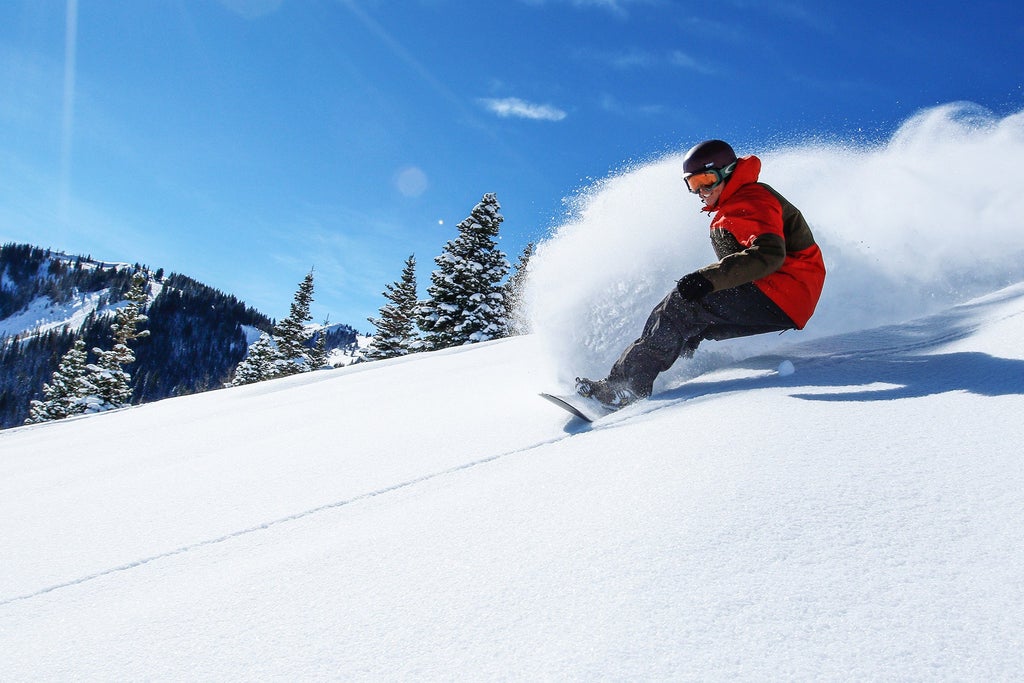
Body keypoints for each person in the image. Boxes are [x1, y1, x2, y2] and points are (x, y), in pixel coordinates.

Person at [576, 139, 826, 408]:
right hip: (787, 300)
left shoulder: (751, 198)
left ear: (728, 172)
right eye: (693, 184)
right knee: (690, 325)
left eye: (707, 180)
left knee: (681, 306)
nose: (701, 191)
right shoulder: (731, 208)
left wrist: (709, 279)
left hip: (783, 290)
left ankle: (625, 389)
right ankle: (663, 380)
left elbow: (769, 254)